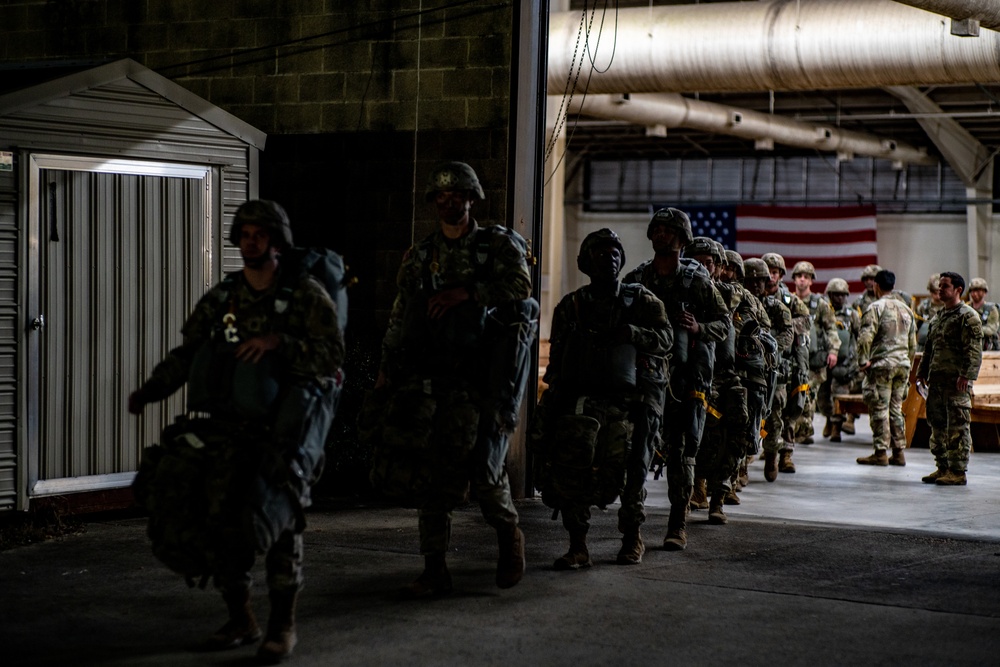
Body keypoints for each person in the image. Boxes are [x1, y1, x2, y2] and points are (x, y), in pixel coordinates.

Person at [129, 200, 345, 662]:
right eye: (244, 233)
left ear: (275, 240)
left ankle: (282, 624)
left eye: (259, 233)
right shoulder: (223, 297)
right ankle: (240, 616)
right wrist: (152, 390)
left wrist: (278, 342)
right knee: (219, 519)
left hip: (283, 430)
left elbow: (330, 358)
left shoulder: (305, 295)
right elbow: (188, 353)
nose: (250, 240)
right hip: (226, 429)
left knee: (279, 524)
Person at [375, 161, 534, 597]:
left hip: (484, 378)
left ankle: (509, 536)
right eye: (440, 197)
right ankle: (434, 567)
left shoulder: (497, 245)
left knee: (484, 470)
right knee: (433, 474)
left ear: (471, 198)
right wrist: (387, 368)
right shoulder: (422, 255)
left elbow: (521, 287)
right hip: (432, 375)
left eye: (456, 195)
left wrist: (468, 293)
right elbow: (400, 311)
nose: (448, 203)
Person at [533, 229, 671, 567]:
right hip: (583, 401)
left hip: (631, 400)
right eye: (600, 252)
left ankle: (631, 538)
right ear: (585, 262)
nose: (608, 258)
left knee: (633, 470)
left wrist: (633, 333)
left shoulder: (641, 301)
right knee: (572, 467)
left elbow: (666, 339)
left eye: (614, 253)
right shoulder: (572, 305)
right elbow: (560, 356)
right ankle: (578, 545)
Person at [623, 208, 729, 550]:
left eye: (669, 230)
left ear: (681, 239)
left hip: (686, 382)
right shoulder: (637, 279)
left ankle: (677, 523)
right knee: (637, 453)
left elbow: (724, 324)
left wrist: (699, 328)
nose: (661, 234)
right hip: (645, 380)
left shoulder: (696, 281)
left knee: (683, 456)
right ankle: (632, 532)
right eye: (658, 229)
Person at [916, 272, 983, 486]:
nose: (940, 290)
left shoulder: (967, 316)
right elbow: (929, 349)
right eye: (939, 286)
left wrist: (966, 375)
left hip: (956, 382)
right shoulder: (938, 317)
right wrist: (921, 372)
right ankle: (942, 467)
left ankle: (958, 471)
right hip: (937, 381)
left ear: (958, 290)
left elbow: (974, 350)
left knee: (958, 426)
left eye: (945, 286)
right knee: (937, 424)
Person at [855, 270, 916, 466]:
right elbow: (913, 344)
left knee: (880, 408)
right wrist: (908, 363)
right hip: (902, 365)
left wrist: (863, 361)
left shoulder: (875, 307)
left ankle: (880, 452)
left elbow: (865, 336)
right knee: (896, 409)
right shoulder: (906, 309)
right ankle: (899, 452)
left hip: (882, 365)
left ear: (876, 286)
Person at [761, 252, 809, 476]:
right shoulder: (753, 296)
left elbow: (805, 321)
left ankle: (779, 455)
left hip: (782, 364)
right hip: (753, 360)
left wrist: (784, 326)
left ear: (780, 275)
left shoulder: (789, 301)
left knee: (780, 410)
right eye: (767, 271)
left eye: (774, 272)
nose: (770, 276)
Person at [790, 260, 841, 445]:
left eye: (806, 277)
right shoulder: (789, 301)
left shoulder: (820, 304)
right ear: (794, 279)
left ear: (811, 280)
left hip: (813, 360)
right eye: (799, 276)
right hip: (793, 357)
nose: (802, 280)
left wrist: (833, 350)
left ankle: (803, 431)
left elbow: (831, 329)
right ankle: (793, 432)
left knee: (808, 396)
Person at [817, 278, 861, 442]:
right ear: (830, 295)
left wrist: (857, 360)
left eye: (843, 295)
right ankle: (828, 419)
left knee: (839, 395)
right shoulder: (822, 312)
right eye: (836, 295)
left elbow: (859, 336)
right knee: (823, 395)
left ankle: (836, 427)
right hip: (823, 360)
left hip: (844, 362)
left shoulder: (852, 315)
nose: (840, 298)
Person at [966, 278, 1000, 350]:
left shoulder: (991, 309)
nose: (975, 294)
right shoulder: (966, 308)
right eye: (972, 291)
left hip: (987, 348)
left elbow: (991, 329)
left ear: (984, 292)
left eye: (978, 291)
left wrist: (971, 329)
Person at [915, 273, 943, 353]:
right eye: (934, 292)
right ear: (930, 291)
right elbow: (915, 327)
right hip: (924, 346)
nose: (937, 296)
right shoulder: (923, 307)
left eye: (939, 292)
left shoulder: (949, 307)